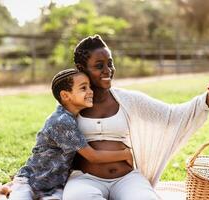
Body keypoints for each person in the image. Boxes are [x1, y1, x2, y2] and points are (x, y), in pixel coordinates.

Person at [62, 35, 209, 200]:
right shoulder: (70, 106)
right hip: (85, 179)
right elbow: (50, 143)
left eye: (110, 63)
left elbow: (172, 115)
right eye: (99, 66)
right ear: (81, 68)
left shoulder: (128, 100)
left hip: (125, 179)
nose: (108, 70)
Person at [8, 69, 133, 200]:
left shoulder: (72, 117)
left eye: (90, 86)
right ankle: (2, 193)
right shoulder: (61, 121)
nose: (91, 91)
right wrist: (126, 154)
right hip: (31, 181)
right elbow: (93, 156)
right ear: (66, 96)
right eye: (83, 88)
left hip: (55, 186)